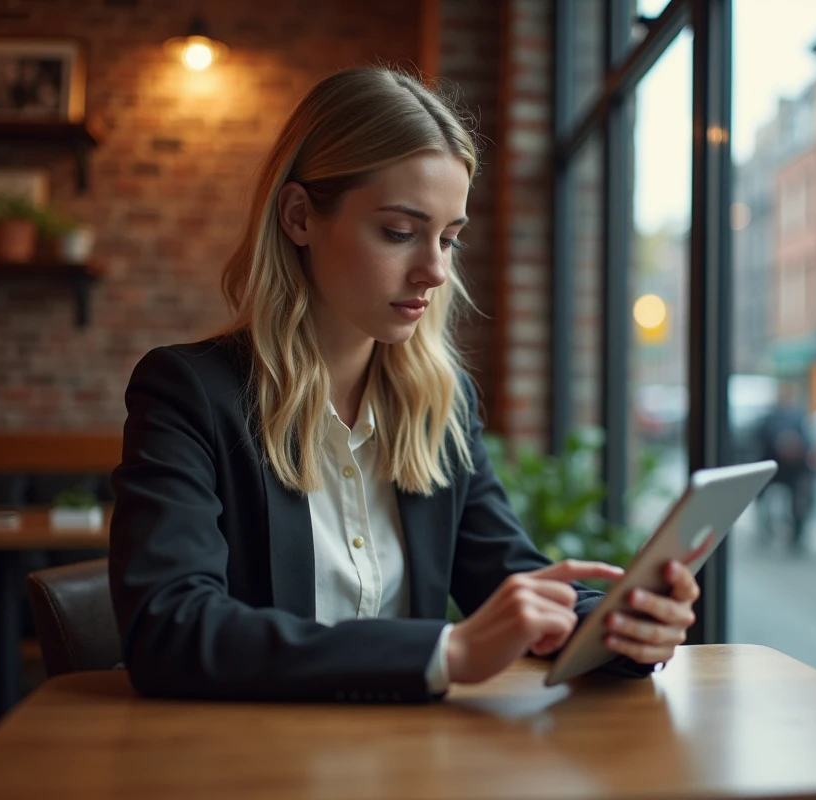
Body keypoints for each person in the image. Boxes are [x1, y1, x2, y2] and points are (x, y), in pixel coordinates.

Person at [108, 67, 701, 704]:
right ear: (299, 216)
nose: (435, 271)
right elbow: (170, 630)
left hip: (411, 752)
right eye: (399, 233)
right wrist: (446, 653)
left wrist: (620, 626)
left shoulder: (440, 406)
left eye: (449, 239)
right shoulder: (189, 394)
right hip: (254, 751)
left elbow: (512, 577)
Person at [754, 381, 816, 550]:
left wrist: (809, 452)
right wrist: (781, 444)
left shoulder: (799, 417)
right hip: (771, 465)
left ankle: (797, 530)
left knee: (806, 491)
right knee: (761, 493)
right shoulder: (769, 418)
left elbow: (809, 440)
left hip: (796, 469)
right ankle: (767, 527)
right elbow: (761, 441)